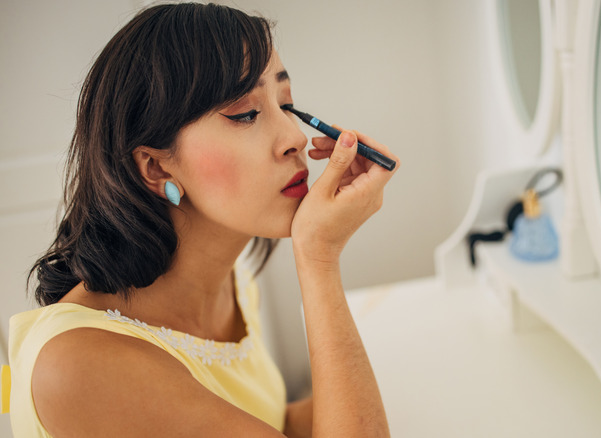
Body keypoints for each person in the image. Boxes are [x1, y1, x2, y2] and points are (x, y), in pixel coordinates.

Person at [4, 2, 397, 437]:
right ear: (156, 167)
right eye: (245, 114)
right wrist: (319, 257)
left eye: (286, 104)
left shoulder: (233, 284)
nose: (295, 138)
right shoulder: (84, 365)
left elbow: (268, 421)